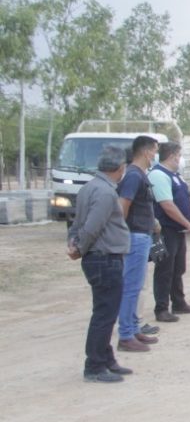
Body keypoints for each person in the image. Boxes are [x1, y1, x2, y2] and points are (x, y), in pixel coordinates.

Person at [67, 146, 134, 382]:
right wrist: (80, 248)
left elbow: (76, 223)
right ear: (120, 168)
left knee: (105, 311)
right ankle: (95, 366)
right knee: (105, 314)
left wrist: (73, 243)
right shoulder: (105, 192)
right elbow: (92, 226)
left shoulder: (89, 187)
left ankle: (106, 359)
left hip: (99, 256)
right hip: (104, 257)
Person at [149, 142, 190, 321]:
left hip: (179, 230)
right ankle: (161, 308)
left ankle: (179, 302)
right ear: (172, 156)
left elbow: (187, 199)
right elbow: (167, 205)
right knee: (164, 269)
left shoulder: (177, 176)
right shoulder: (158, 174)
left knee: (178, 268)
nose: (181, 159)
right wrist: (188, 224)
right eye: (180, 155)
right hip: (166, 230)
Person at [115, 135, 160, 348]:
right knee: (131, 287)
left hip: (142, 235)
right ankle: (126, 335)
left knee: (136, 285)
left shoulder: (139, 174)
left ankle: (133, 329)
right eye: (154, 151)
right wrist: (122, 233)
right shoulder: (133, 175)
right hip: (134, 236)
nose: (155, 156)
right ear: (145, 151)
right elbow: (123, 206)